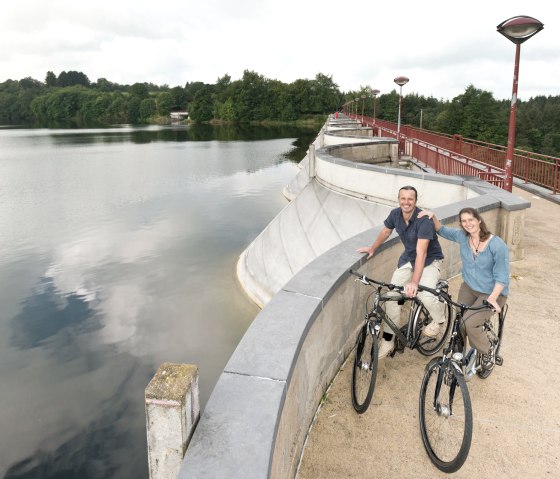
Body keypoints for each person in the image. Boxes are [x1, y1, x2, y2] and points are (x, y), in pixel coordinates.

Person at [357, 186, 445, 358]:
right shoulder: (395, 214)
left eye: (410, 199)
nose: (406, 202)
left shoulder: (424, 220)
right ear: (398, 200)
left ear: (415, 201)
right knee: (391, 297)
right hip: (408, 259)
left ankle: (440, 319)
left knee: (424, 294)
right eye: (403, 198)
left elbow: (422, 253)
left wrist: (414, 282)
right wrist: (372, 248)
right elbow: (386, 231)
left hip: (429, 261)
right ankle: (389, 340)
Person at [419, 207, 509, 368]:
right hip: (469, 288)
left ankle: (487, 350)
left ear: (479, 220)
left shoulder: (496, 245)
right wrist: (433, 216)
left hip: (492, 293)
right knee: (459, 321)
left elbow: (502, 277)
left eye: (471, 220)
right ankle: (457, 356)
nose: (468, 224)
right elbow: (441, 230)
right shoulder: (462, 237)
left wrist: (493, 298)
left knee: (470, 323)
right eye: (464, 221)